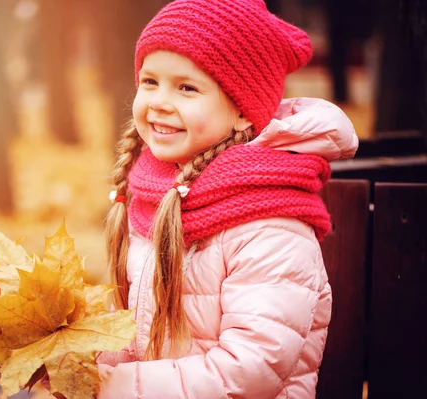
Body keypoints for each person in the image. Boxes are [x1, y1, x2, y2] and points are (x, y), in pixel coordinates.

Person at [97, 0, 359, 398]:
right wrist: (83, 364)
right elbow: (132, 333)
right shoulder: (153, 197)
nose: (160, 101)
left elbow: (249, 371)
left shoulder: (269, 227)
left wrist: (113, 388)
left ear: (242, 111)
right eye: (150, 81)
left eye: (187, 87)